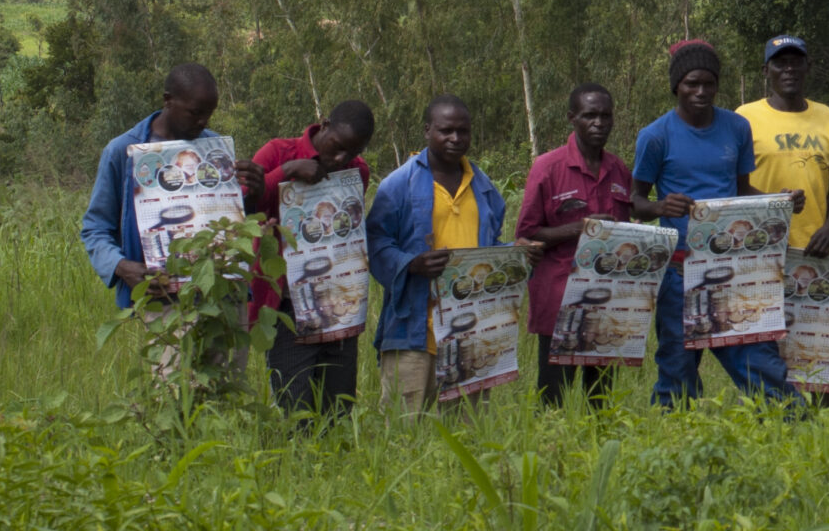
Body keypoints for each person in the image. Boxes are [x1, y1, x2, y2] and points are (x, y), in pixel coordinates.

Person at [632, 40, 803, 405]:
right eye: (692, 83)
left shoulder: (736, 127)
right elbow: (634, 202)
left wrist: (779, 202)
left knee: (759, 359)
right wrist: (662, 205)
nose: (701, 91)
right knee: (678, 366)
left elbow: (742, 192)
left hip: (735, 265)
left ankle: (789, 430)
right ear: (676, 85)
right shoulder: (655, 136)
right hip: (679, 270)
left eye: (709, 83)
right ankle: (677, 440)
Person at [79, 63, 267, 381]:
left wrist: (251, 196)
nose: (203, 121)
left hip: (223, 296)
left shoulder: (215, 152)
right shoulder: (122, 153)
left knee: (227, 392)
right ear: (168, 100)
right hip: (165, 299)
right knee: (173, 392)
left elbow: (229, 225)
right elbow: (95, 228)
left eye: (210, 113)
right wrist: (121, 266)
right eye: (195, 112)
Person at [366, 96, 509, 415]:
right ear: (428, 130)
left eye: (463, 131)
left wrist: (516, 256)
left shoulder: (483, 187)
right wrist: (411, 264)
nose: (456, 139)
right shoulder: (399, 185)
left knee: (468, 433)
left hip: (470, 334)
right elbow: (375, 241)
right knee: (404, 432)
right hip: (415, 332)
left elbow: (491, 245)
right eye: (446, 131)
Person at [250, 99, 377, 418]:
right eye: (336, 147)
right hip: (288, 306)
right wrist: (288, 172)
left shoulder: (357, 172)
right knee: (294, 410)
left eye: (351, 152)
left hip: (338, 307)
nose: (339, 159)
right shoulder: (278, 154)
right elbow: (243, 202)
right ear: (324, 125)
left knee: (338, 411)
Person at [515, 83, 638, 407]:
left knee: (600, 397)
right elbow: (527, 234)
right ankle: (552, 455)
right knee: (553, 397)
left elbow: (622, 228)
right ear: (572, 118)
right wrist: (580, 229)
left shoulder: (618, 169)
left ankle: (600, 452)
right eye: (589, 115)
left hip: (606, 298)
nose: (599, 123)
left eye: (606, 116)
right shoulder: (548, 168)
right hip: (559, 299)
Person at [736, 35, 829, 256]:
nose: (789, 69)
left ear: (808, 67)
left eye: (796, 62)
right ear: (765, 70)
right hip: (758, 243)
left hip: (815, 248)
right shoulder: (744, 118)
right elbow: (733, 185)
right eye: (780, 63)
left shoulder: (828, 117)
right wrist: (777, 203)